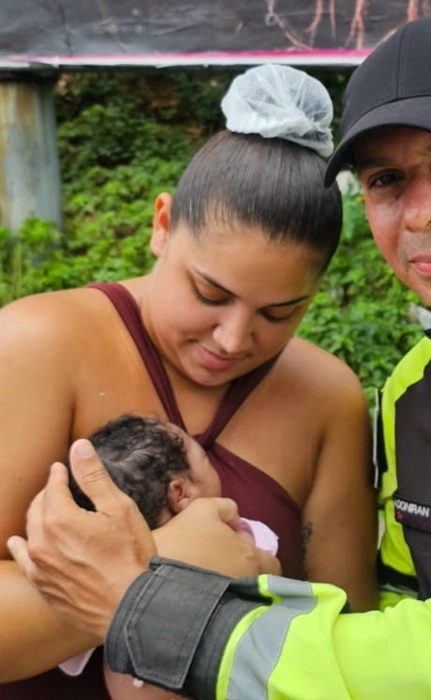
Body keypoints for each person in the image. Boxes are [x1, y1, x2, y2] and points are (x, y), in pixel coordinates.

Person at [8, 14, 431, 700]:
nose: (422, 211)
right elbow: (393, 616)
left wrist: (158, 609)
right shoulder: (414, 390)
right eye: (387, 181)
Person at [0, 63, 378, 699]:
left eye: (279, 313)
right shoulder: (37, 344)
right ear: (161, 225)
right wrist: (170, 573)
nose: (233, 340)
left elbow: (347, 638)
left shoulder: (327, 399)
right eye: (210, 293)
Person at [63, 412, 278, 700]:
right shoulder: (234, 537)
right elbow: (272, 568)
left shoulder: (106, 574)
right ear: (180, 492)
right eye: (204, 458)